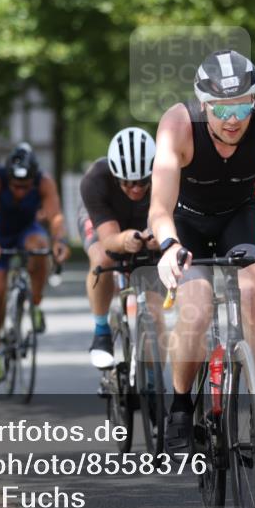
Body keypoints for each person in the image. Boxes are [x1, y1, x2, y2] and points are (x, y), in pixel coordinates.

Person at [149, 49, 255, 465]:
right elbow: (158, 209)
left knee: (250, 293)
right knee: (196, 305)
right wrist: (169, 247)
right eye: (222, 109)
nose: (233, 119)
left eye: (243, 107)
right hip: (185, 221)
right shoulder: (177, 125)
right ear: (203, 104)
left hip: (238, 217)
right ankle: (179, 410)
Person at [0, 143, 70, 383]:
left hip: (26, 231)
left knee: (40, 248)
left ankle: (36, 302)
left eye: (26, 186)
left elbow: (55, 216)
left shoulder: (44, 182)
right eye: (16, 186)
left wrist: (59, 240)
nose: (20, 191)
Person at [78, 127, 161, 368]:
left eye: (143, 182)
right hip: (105, 221)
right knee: (103, 258)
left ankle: (152, 377)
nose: (136, 189)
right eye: (128, 183)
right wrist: (125, 240)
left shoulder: (166, 174)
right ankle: (101, 331)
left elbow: (166, 220)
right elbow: (109, 239)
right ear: (116, 176)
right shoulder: (95, 180)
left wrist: (157, 237)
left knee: (155, 310)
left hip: (143, 221)